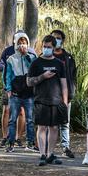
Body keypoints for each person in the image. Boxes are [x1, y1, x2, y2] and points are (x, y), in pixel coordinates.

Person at [27, 35, 68, 166]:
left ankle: (50, 153)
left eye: (49, 47)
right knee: (42, 127)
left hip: (56, 100)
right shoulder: (36, 63)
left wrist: (65, 101)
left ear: (54, 47)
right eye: (44, 47)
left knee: (54, 127)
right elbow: (29, 82)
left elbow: (64, 84)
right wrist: (42, 76)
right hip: (41, 99)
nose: (46, 49)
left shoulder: (59, 64)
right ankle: (42, 154)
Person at [0, 29, 34, 148]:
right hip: (15, 92)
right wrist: (8, 90)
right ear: (15, 43)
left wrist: (26, 56)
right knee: (11, 117)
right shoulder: (10, 57)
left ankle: (30, 142)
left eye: (24, 43)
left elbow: (34, 70)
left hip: (28, 92)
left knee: (29, 118)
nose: (21, 45)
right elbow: (6, 75)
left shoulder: (32, 56)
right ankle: (9, 141)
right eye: (19, 42)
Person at [51, 29, 77, 159]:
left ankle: (65, 147)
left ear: (63, 40)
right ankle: (48, 149)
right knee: (51, 123)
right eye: (54, 37)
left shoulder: (69, 57)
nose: (57, 40)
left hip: (66, 95)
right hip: (51, 95)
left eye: (59, 38)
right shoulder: (46, 56)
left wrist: (72, 91)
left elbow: (73, 76)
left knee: (64, 123)